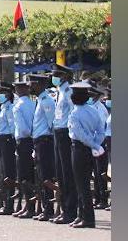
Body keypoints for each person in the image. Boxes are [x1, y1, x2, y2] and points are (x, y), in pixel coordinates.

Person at [66, 81, 105, 228]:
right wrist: (96, 144)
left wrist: (93, 145)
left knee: (81, 185)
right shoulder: (93, 110)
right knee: (84, 183)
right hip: (89, 150)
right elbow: (101, 130)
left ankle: (88, 218)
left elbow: (80, 135)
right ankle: (81, 215)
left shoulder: (74, 113)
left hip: (79, 149)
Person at [50, 64, 78, 224]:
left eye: (57, 75)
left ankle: (71, 211)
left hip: (65, 134)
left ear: (65, 76)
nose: (54, 78)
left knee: (67, 174)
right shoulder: (59, 92)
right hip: (58, 133)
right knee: (60, 173)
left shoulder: (68, 91)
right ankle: (65, 210)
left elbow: (74, 112)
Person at [29, 73, 58, 221]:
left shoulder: (47, 101)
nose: (30, 86)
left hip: (45, 141)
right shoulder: (40, 100)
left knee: (46, 176)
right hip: (39, 141)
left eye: (32, 83)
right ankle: (45, 208)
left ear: (40, 85)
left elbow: (51, 123)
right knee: (41, 176)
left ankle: (49, 209)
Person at [12, 79, 38, 218]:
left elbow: (22, 128)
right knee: (31, 175)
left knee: (24, 175)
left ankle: (29, 206)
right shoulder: (33, 104)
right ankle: (29, 206)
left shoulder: (18, 106)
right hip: (33, 139)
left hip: (23, 141)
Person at [0, 80, 17, 214]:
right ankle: (4, 202)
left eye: (1, 92)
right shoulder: (3, 107)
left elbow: (12, 127)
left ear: (8, 94)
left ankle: (9, 204)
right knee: (2, 172)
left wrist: (14, 142)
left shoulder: (10, 108)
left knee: (7, 172)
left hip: (7, 141)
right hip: (1, 140)